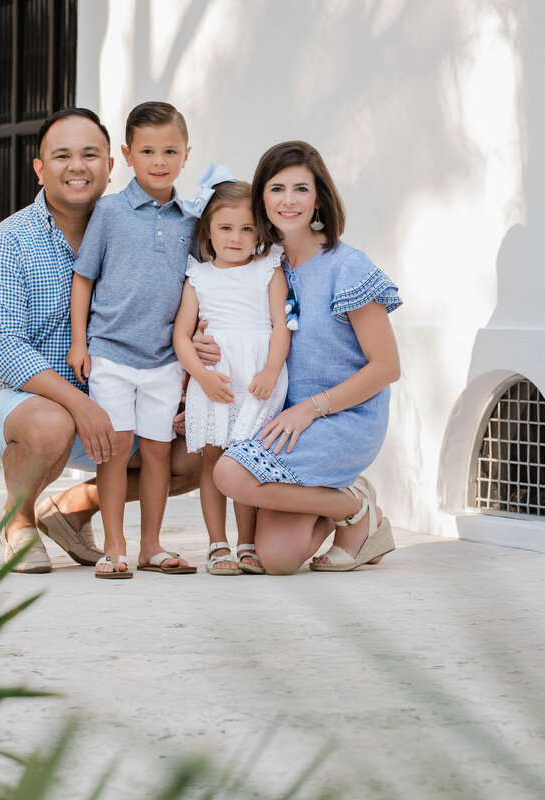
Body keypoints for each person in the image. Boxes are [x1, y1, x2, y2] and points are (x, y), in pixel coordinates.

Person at [0, 107, 200, 574]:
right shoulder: (9, 241)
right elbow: (3, 346)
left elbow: (180, 306)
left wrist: (193, 372)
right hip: (15, 403)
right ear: (39, 169)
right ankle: (20, 524)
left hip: (118, 398)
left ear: (112, 164)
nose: (77, 166)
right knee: (53, 422)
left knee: (200, 449)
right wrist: (80, 404)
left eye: (90, 154)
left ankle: (72, 508)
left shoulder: (133, 224)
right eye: (62, 156)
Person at [213, 141, 402, 575]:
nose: (288, 201)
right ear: (261, 196)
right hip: (280, 417)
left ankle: (353, 510)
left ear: (319, 197)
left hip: (342, 418)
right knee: (277, 559)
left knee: (231, 475)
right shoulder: (258, 266)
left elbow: (386, 367)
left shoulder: (347, 266)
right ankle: (346, 503)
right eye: (277, 188)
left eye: (301, 188)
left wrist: (310, 410)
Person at [68, 101, 197, 579]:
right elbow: (84, 278)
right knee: (117, 447)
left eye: (169, 150)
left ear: (186, 154)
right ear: (127, 155)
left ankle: (152, 545)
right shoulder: (109, 211)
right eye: (147, 151)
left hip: (165, 358)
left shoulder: (193, 219)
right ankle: (114, 546)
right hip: (111, 352)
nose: (159, 161)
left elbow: (199, 287)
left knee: (159, 449)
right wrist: (80, 343)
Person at [172, 173, 290, 576]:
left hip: (257, 375)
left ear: (258, 232)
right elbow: (181, 337)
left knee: (245, 460)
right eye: (225, 228)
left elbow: (280, 326)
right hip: (215, 378)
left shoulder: (268, 270)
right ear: (208, 229)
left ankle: (247, 543)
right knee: (213, 459)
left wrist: (272, 369)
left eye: (246, 229)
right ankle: (217, 544)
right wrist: (200, 379)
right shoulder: (199, 276)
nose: (236, 237)